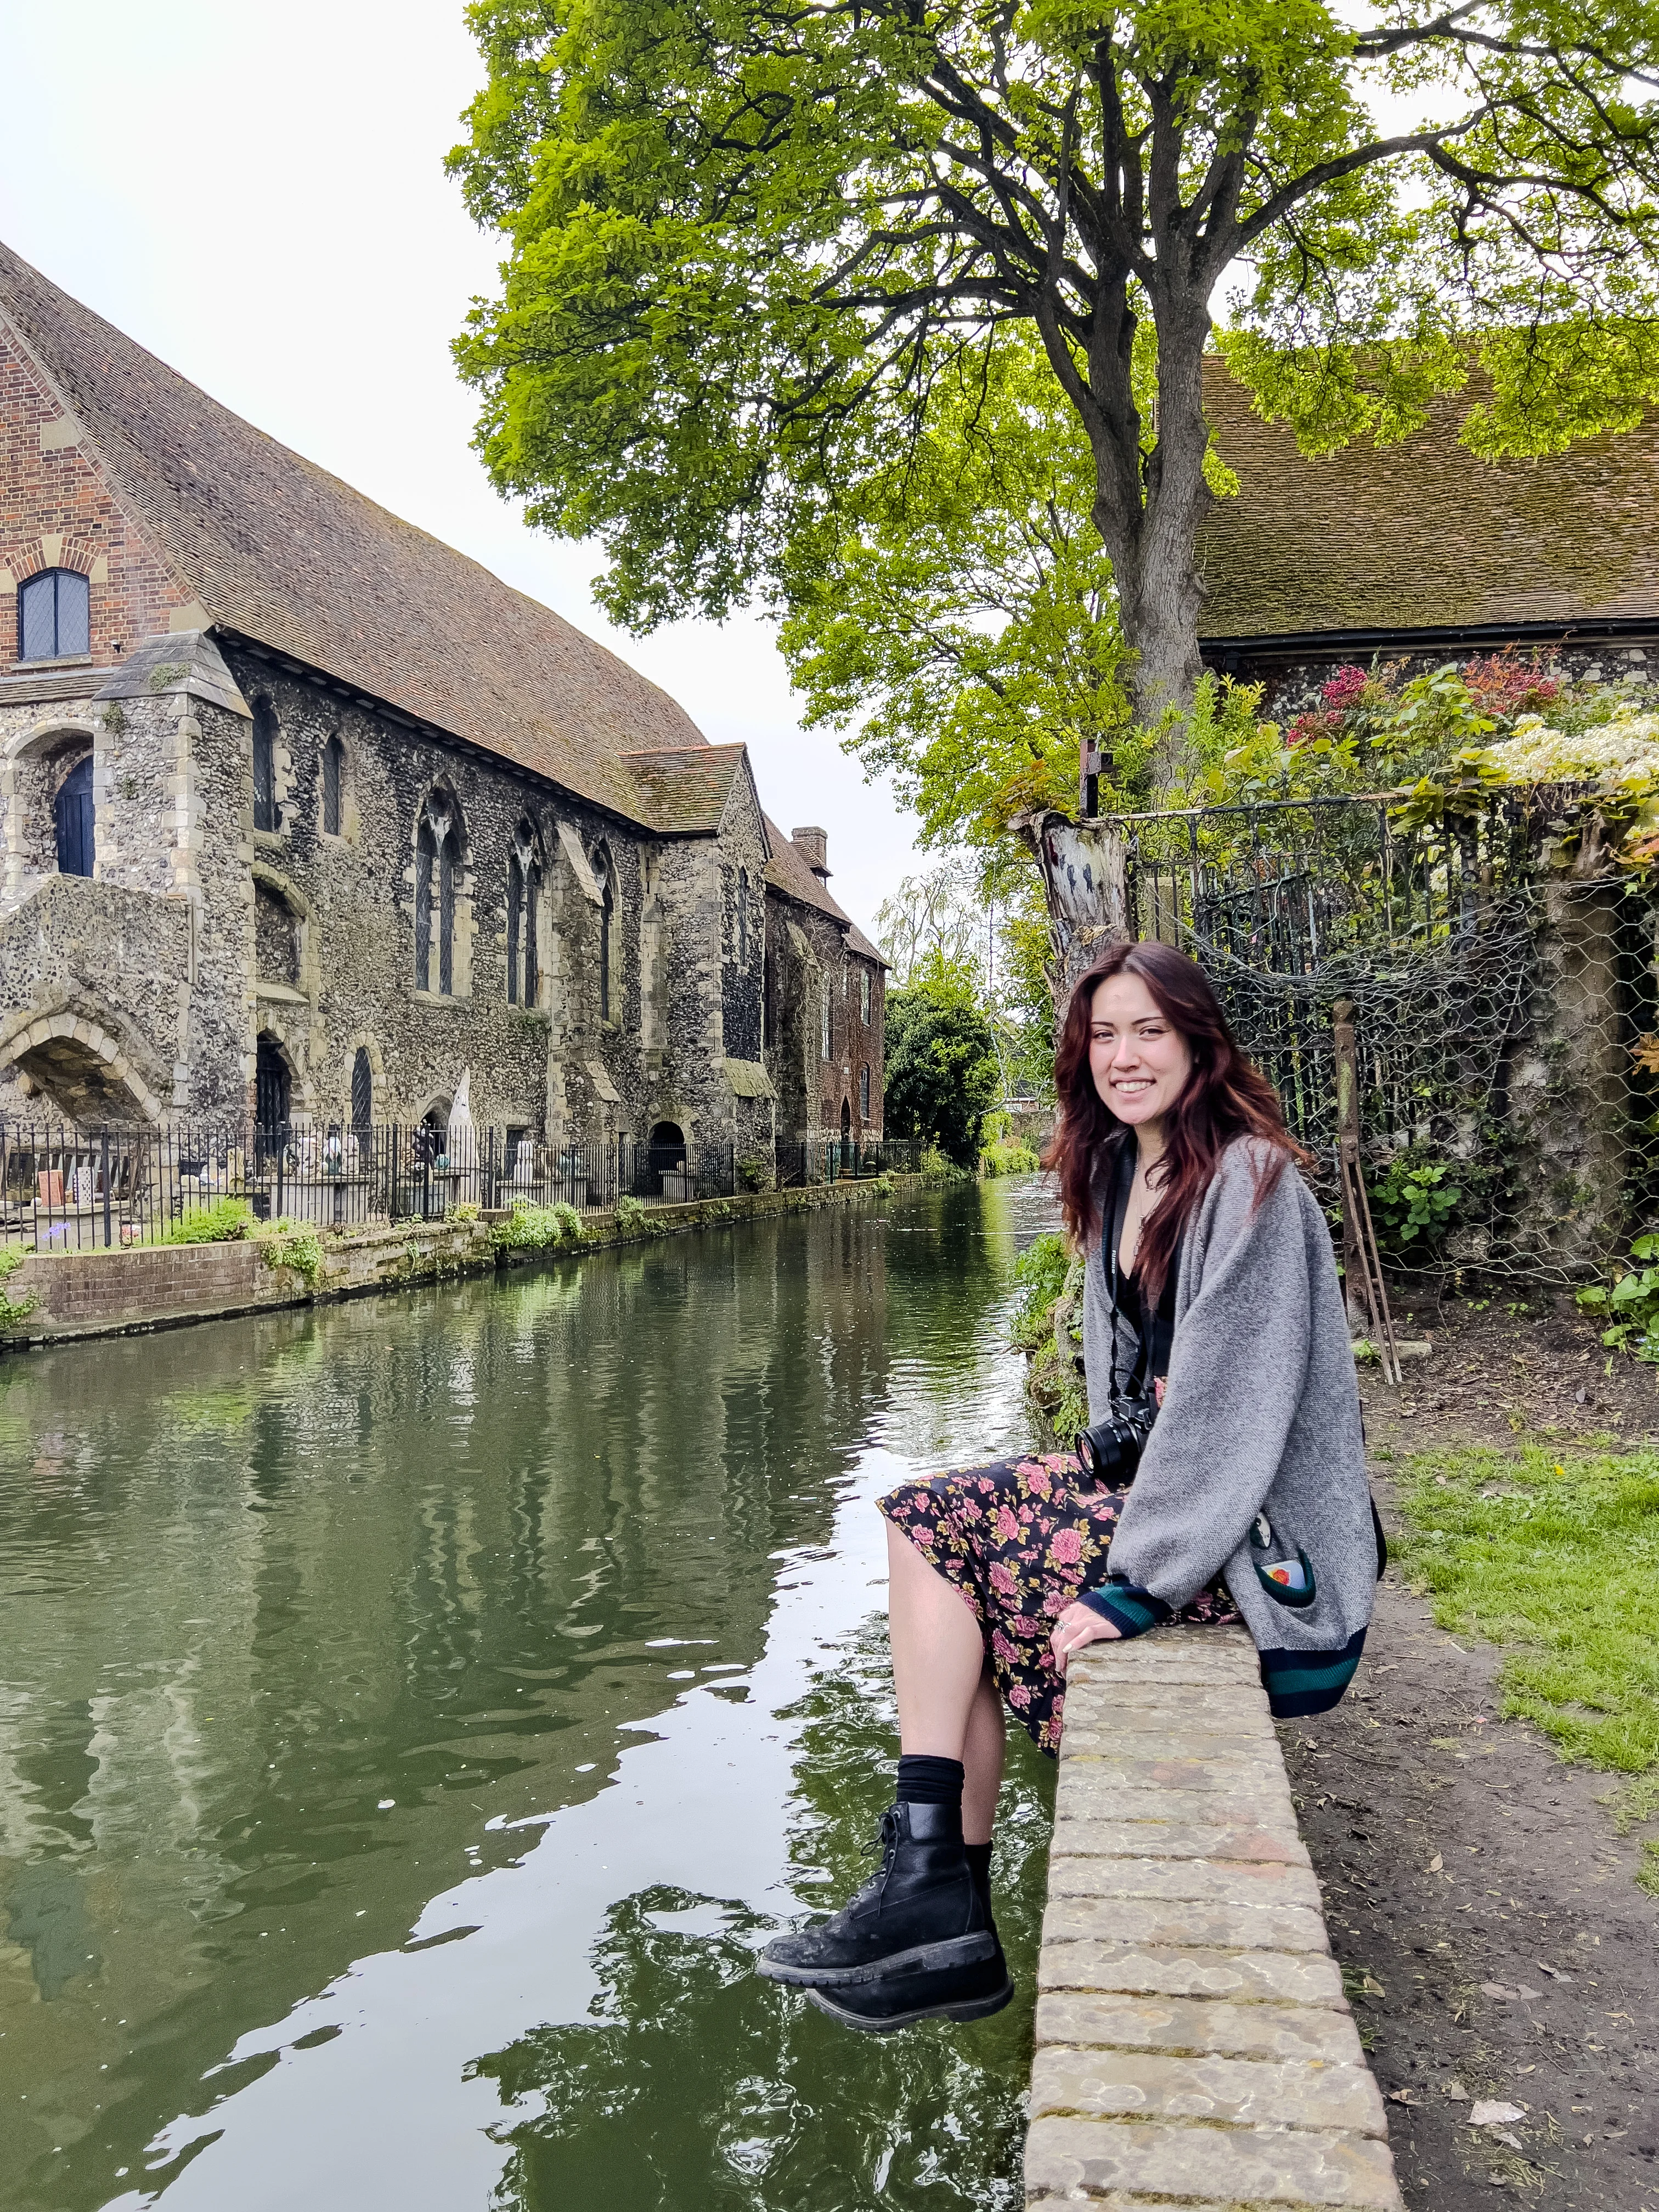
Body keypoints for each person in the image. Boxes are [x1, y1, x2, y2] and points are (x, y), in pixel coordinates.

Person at [758, 939, 1380, 2032]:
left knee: (942, 1535)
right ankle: (936, 1896)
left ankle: (939, 1903)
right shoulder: (1115, 1170)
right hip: (1177, 1506)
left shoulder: (1253, 1180)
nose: (1125, 1055)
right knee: (929, 1531)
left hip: (1261, 1550)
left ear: (1199, 1041)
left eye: (1150, 1031)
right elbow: (1138, 1402)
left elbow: (1230, 1413)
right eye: (1104, 1034)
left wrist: (1132, 1585)